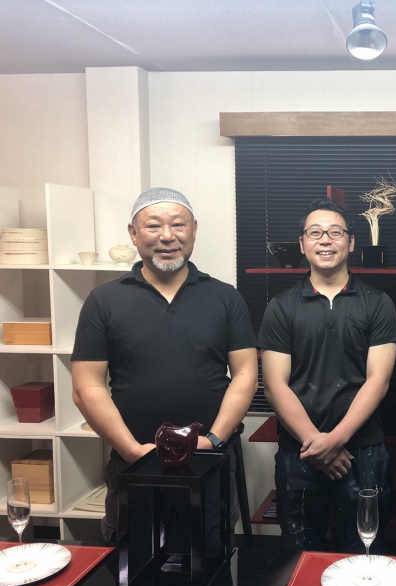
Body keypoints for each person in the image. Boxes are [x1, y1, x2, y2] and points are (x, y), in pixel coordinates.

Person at [71, 187, 258, 543]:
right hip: (133, 460)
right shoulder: (104, 301)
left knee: (213, 555)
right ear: (133, 233)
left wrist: (213, 439)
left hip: (209, 460)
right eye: (154, 226)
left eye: (178, 225)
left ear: (194, 230)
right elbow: (86, 387)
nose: (168, 236)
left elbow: (246, 374)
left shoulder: (225, 297)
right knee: (133, 560)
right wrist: (131, 450)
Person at [259, 197, 396, 553]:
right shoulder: (281, 307)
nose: (325, 240)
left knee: (365, 558)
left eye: (335, 233)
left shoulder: (378, 303)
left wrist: (335, 440)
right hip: (300, 453)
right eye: (315, 233)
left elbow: (378, 381)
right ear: (302, 244)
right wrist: (317, 444)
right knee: (298, 559)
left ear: (351, 243)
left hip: (363, 453)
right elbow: (275, 385)